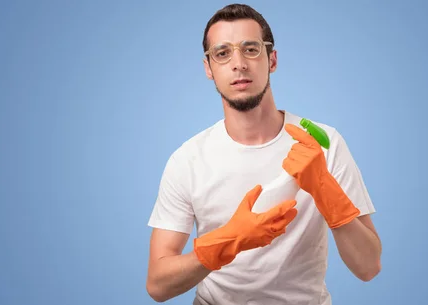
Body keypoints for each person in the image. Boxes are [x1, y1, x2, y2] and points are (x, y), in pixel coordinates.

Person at [145, 4, 382, 304]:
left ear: (272, 59)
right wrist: (228, 242)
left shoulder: (323, 143)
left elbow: (368, 267)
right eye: (222, 53)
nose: (238, 64)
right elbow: (158, 285)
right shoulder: (187, 160)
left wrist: (324, 187)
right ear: (208, 68)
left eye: (251, 49)